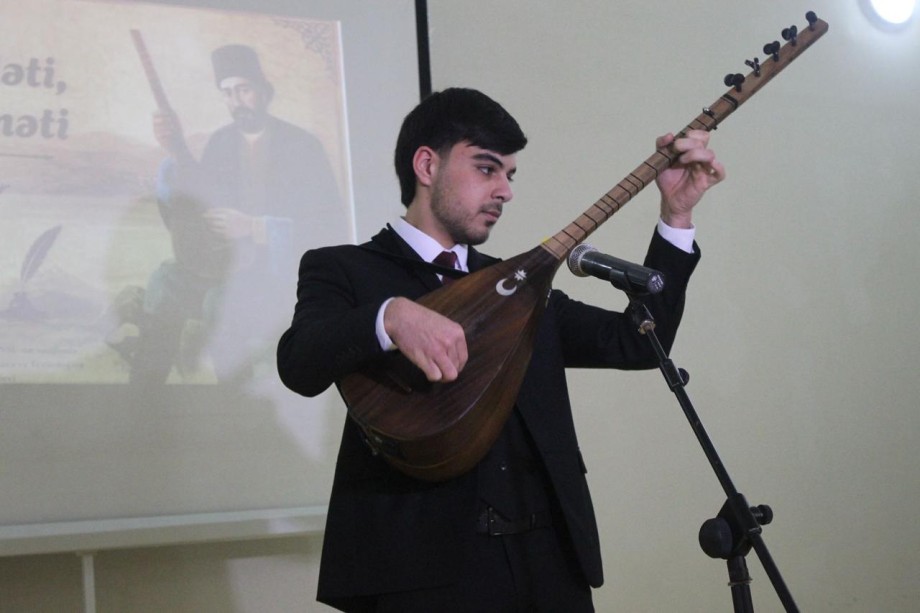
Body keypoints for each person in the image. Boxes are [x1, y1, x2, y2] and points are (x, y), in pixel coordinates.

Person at [277, 87, 724, 612]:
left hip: (549, 565)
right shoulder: (345, 268)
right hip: (421, 577)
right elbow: (299, 362)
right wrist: (390, 316)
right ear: (427, 165)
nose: (505, 191)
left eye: (510, 175)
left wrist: (676, 215)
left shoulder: (516, 285)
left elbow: (638, 342)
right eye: (487, 169)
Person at [124, 44, 345, 385]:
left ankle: (237, 401)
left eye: (243, 90)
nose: (236, 101)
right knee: (164, 282)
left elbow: (329, 227)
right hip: (224, 267)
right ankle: (144, 393)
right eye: (227, 93)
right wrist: (175, 150)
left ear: (263, 91)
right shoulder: (221, 143)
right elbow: (200, 205)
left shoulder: (302, 146)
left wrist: (256, 227)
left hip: (281, 276)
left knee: (220, 301)